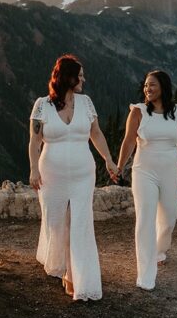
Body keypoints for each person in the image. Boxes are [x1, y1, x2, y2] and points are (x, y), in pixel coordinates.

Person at [28, 55, 117, 301]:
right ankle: (62, 265)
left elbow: (96, 134)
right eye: (80, 75)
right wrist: (33, 169)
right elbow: (35, 141)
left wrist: (108, 160)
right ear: (68, 77)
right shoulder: (42, 105)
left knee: (80, 222)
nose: (83, 79)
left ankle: (78, 278)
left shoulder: (86, 103)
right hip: (51, 175)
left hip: (82, 174)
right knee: (56, 222)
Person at [115, 70, 177, 290]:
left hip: (171, 172)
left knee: (169, 216)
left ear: (163, 86)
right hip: (144, 171)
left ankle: (159, 250)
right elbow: (128, 142)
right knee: (145, 219)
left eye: (151, 85)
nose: (147, 89)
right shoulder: (138, 112)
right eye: (145, 85)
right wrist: (119, 165)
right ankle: (145, 275)